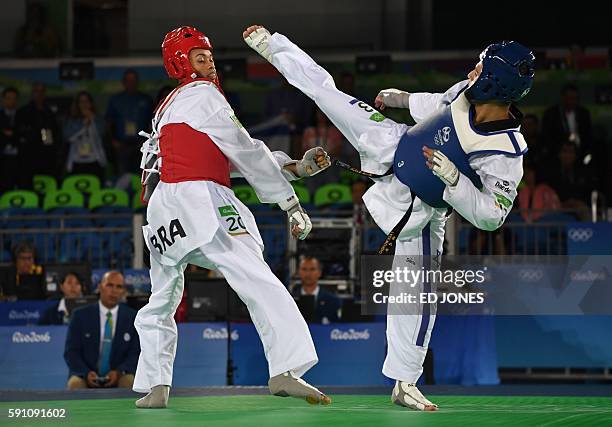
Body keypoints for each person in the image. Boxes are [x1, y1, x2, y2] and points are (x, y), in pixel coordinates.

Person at [244, 26, 534, 411]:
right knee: (328, 93)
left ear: (496, 84)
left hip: (423, 209)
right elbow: (439, 102)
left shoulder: (505, 150)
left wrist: (454, 180)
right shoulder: (466, 92)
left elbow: (491, 216)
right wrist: (402, 98)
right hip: (392, 142)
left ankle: (405, 383)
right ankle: (273, 46)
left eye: (480, 70)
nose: (471, 73)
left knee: (415, 295)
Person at [133, 26, 333, 409]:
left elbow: (218, 157)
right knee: (255, 275)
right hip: (198, 200)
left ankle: (155, 386)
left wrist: (294, 167)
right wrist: (290, 202)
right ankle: (285, 370)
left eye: (209, 57)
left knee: (160, 299)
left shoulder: (168, 107)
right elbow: (246, 151)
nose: (210, 64)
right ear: (180, 63)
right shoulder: (205, 95)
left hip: (161, 211)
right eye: (200, 57)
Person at [64, 271, 139, 389]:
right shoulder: (80, 315)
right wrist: (86, 373)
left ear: (123, 292)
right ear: (100, 287)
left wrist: (119, 372)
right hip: (85, 375)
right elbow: (71, 352)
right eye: (109, 285)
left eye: (118, 287)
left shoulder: (133, 318)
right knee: (75, 384)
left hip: (119, 375)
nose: (114, 290)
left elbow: (136, 352)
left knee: (129, 381)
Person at [106, 69, 153, 176]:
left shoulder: (146, 99)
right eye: (128, 80)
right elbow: (109, 122)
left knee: (141, 175)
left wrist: (147, 142)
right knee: (122, 175)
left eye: (134, 80)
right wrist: (113, 141)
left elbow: (152, 123)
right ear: (123, 82)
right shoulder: (116, 99)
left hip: (140, 144)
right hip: (121, 144)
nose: (131, 83)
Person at [15, 82, 61, 180]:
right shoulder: (23, 111)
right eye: (36, 91)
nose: (39, 94)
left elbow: (50, 134)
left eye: (42, 91)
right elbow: (20, 133)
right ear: (32, 93)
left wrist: (48, 143)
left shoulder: (49, 112)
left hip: (47, 157)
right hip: (28, 157)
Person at [63, 91, 108, 180]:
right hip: (76, 162)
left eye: (86, 101)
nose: (84, 104)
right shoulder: (71, 120)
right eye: (81, 102)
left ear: (91, 103)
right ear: (77, 104)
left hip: (95, 161)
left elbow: (101, 133)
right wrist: (83, 124)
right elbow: (67, 137)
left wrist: (92, 119)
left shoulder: (98, 119)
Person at [292, 256, 341, 323]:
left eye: (312, 269)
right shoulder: (290, 299)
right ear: (298, 272)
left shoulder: (333, 301)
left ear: (320, 272)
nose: (308, 273)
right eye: (304, 269)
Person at [0, 87, 21, 191]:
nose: (11, 101)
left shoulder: (24, 115)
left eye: (14, 98)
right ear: (3, 100)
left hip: (20, 159)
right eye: (8, 98)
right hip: (3, 160)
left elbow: (44, 134)